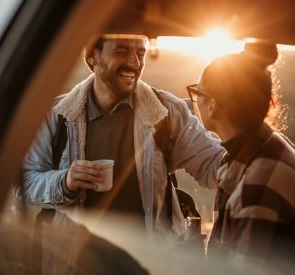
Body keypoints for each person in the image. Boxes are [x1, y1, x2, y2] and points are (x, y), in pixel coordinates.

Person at [17, 34, 223, 242]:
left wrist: (247, 141)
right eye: (121, 51)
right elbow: (25, 181)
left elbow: (214, 165)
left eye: (140, 53)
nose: (134, 62)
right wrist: (65, 182)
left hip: (148, 264)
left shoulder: (167, 111)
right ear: (92, 58)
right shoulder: (57, 116)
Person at [187, 44, 295, 273]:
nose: (195, 101)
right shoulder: (270, 146)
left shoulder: (258, 190)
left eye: (197, 93)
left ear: (212, 105)